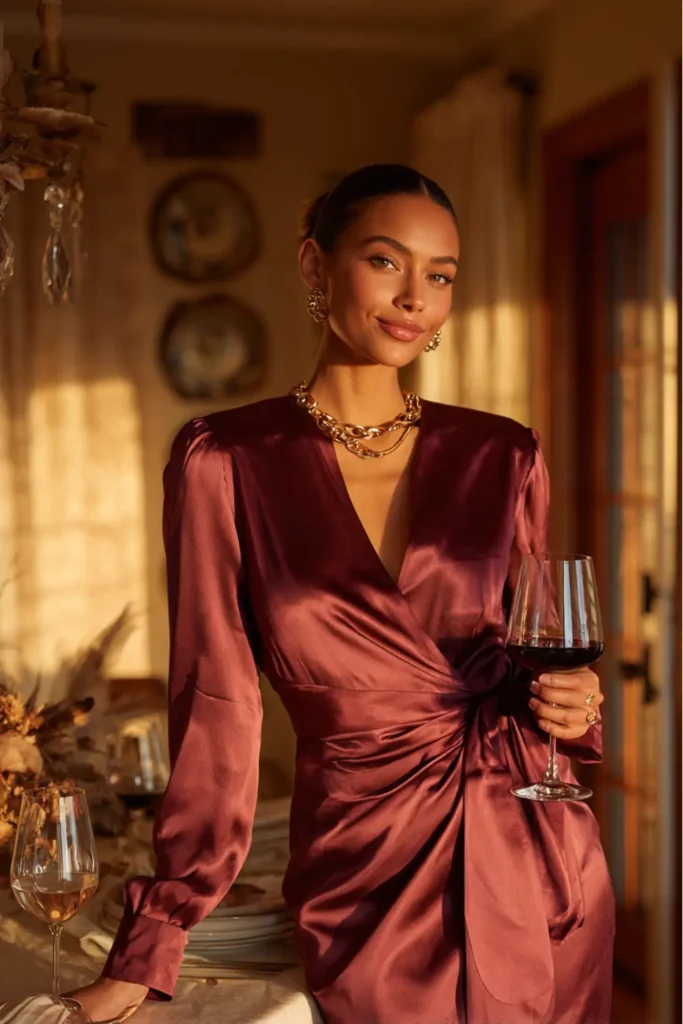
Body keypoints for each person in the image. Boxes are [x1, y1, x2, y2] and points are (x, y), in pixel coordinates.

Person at [72, 164, 614, 1024]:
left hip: (528, 849)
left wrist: (575, 704)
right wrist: (153, 941)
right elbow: (216, 704)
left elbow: (534, 645)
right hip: (362, 876)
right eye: (385, 262)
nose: (414, 298)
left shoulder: (503, 454)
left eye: (439, 276)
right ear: (315, 268)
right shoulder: (226, 459)